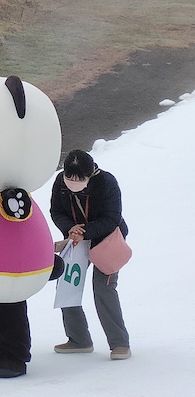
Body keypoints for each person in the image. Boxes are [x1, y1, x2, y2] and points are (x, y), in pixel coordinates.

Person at [49, 148, 131, 360]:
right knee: (67, 285)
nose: (73, 183)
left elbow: (112, 218)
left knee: (104, 289)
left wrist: (84, 231)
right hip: (76, 240)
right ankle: (78, 339)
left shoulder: (107, 182)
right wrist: (71, 228)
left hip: (106, 241)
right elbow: (56, 211)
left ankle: (120, 343)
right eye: (69, 178)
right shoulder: (59, 182)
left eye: (79, 180)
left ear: (91, 174)